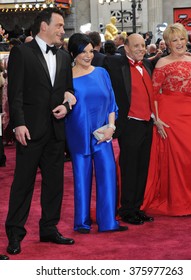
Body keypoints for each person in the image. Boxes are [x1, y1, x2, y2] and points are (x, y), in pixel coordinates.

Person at [5, 7, 76, 255]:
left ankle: (48, 228)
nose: (62, 30)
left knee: (54, 184)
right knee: (22, 185)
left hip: (56, 132)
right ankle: (15, 233)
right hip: (30, 131)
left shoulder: (65, 57)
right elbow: (15, 95)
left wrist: (66, 106)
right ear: (44, 26)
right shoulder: (21, 53)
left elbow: (70, 92)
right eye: (58, 25)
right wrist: (19, 123)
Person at [141, 23, 191, 216]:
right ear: (167, 43)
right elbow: (155, 94)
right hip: (170, 114)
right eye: (174, 40)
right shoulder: (161, 63)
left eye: (182, 39)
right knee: (180, 159)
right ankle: (188, 202)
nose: (179, 43)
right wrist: (157, 120)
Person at [65, 33, 128, 233]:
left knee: (108, 174)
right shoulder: (65, 77)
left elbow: (111, 102)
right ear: (73, 54)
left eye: (91, 51)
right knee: (81, 178)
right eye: (83, 52)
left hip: (103, 134)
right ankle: (82, 222)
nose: (88, 56)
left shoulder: (102, 73)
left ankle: (108, 222)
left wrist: (111, 127)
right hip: (78, 133)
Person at [103, 33, 154, 225]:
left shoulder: (148, 65)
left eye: (143, 45)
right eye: (136, 46)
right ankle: (126, 209)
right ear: (126, 48)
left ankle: (137, 207)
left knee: (143, 167)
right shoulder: (116, 65)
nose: (141, 49)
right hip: (129, 124)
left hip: (147, 124)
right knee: (129, 168)